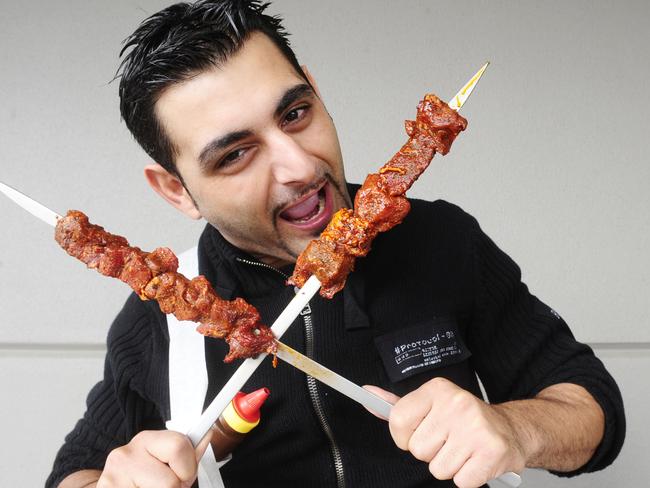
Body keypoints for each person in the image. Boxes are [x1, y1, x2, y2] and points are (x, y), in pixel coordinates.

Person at [47, 1, 625, 487]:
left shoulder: (444, 242)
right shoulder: (159, 318)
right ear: (177, 191)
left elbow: (592, 407)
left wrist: (517, 430)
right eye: (235, 154)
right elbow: (75, 472)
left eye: (296, 113)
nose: (299, 167)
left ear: (317, 93)